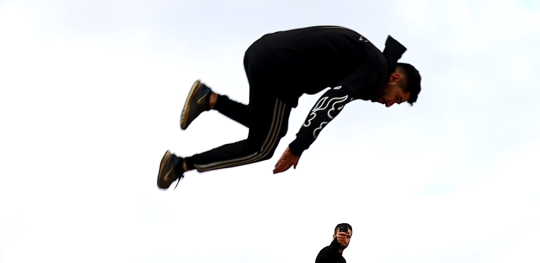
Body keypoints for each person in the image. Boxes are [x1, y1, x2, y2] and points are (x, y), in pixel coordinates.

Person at [157, 26, 421, 189]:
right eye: (396, 99)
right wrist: (298, 147)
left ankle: (209, 99)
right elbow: (329, 103)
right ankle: (180, 165)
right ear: (394, 78)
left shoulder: (371, 58)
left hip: (265, 52)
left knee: (269, 125)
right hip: (279, 69)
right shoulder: (375, 72)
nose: (388, 105)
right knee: (263, 147)